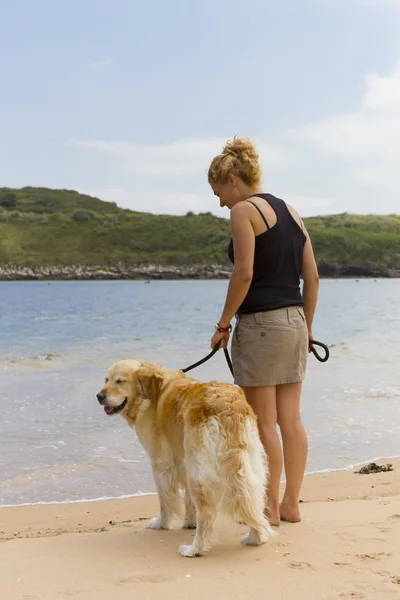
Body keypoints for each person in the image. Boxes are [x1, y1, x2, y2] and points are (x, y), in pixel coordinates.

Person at [208, 136, 319, 527]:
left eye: (218, 190)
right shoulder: (292, 211)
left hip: (261, 326)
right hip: (295, 322)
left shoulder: (243, 212)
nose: (220, 201)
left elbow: (245, 273)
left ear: (233, 179)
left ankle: (268, 509)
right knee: (292, 420)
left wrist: (223, 324)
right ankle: (290, 504)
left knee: (262, 423)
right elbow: (313, 277)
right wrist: (307, 328)